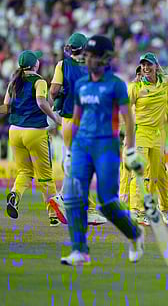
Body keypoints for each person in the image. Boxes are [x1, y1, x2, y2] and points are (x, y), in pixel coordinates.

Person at [60, 35, 145, 266]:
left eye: (94, 56)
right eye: (87, 55)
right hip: (81, 145)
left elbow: (128, 118)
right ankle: (79, 250)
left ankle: (135, 235)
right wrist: (69, 150)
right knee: (74, 198)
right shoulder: (81, 84)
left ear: (106, 58)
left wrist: (129, 150)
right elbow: (76, 119)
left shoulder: (116, 84)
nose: (89, 60)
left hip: (106, 145)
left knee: (107, 202)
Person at [50, 32, 107, 226]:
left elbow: (53, 91)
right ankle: (68, 200)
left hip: (67, 120)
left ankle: (73, 203)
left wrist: (64, 92)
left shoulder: (62, 65)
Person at [4, 50, 63, 226]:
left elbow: (6, 107)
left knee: (24, 172)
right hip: (34, 132)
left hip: (14, 131)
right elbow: (41, 102)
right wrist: (56, 118)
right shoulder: (39, 81)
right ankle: (53, 215)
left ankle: (15, 195)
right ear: (35, 64)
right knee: (45, 176)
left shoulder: (14, 82)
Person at [128, 52, 168, 226]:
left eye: (149, 65)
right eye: (143, 65)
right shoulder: (135, 86)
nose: (146, 68)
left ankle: (148, 208)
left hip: (158, 134)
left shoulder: (165, 82)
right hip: (141, 132)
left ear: (156, 66)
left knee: (154, 175)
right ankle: (136, 210)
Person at [119, 65, 142, 205]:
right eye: (138, 73)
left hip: (144, 135)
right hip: (131, 134)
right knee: (126, 169)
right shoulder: (132, 89)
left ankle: (137, 202)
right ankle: (123, 199)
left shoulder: (149, 90)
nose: (140, 76)